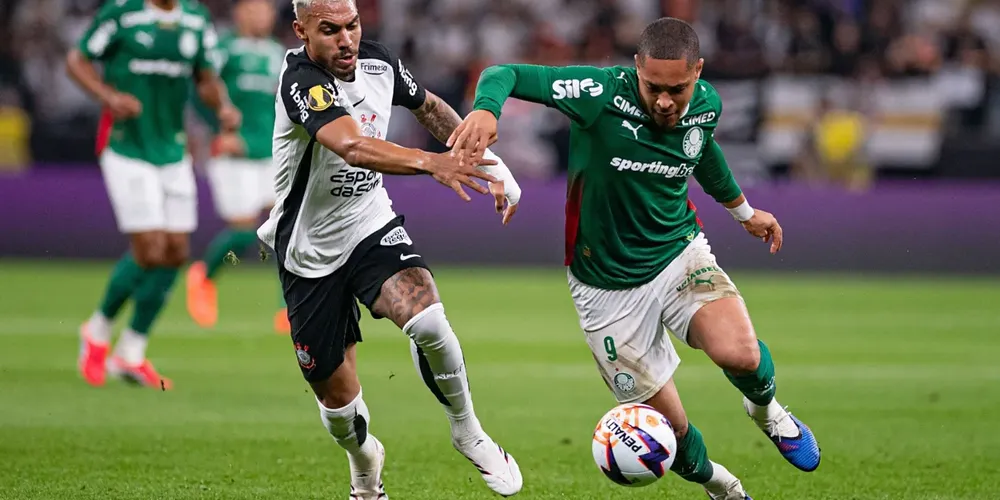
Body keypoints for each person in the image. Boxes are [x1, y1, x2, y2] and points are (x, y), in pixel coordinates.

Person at [450, 17, 821, 500]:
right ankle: (722, 486)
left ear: (698, 73)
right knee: (671, 434)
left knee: (742, 354)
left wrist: (744, 213)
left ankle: (767, 411)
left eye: (678, 89)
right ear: (636, 68)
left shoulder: (706, 104)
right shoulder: (597, 92)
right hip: (605, 289)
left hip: (677, 252)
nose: (666, 101)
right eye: (654, 88)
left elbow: (700, 152)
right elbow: (504, 74)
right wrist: (485, 110)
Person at [257, 0, 523, 497]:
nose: (346, 40)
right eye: (330, 29)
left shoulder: (379, 63)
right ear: (301, 31)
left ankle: (468, 432)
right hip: (308, 251)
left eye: (353, 26)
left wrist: (484, 159)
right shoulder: (300, 81)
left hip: (369, 224)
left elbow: (429, 107)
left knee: (430, 321)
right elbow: (353, 146)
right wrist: (431, 163)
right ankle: (365, 463)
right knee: (340, 412)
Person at [68, 0, 240, 390]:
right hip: (126, 146)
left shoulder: (195, 20)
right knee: (149, 249)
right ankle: (96, 331)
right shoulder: (121, 14)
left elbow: (206, 77)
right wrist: (107, 97)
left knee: (177, 251)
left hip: (172, 149)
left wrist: (224, 107)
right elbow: (76, 61)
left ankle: (130, 352)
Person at [186, 0, 291, 333]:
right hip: (234, 153)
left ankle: (288, 309)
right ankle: (204, 276)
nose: (261, 15)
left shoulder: (278, 52)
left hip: (271, 151)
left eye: (266, 10)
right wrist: (219, 129)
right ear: (239, 13)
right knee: (244, 232)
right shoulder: (224, 48)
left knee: (287, 230)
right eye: (254, 9)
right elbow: (198, 89)